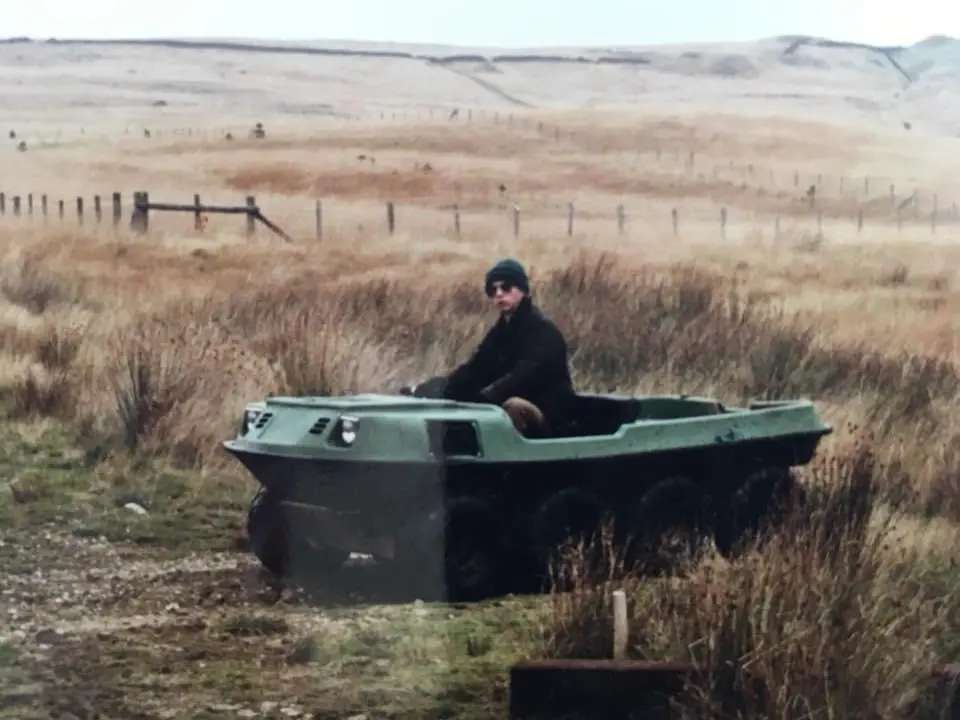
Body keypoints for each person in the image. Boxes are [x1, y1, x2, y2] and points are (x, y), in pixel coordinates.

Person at [403, 258, 576, 437]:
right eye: (492, 290)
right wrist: (433, 390)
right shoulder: (501, 331)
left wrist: (484, 398)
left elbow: (524, 377)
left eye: (506, 287)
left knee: (514, 406)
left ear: (522, 290)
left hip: (551, 419)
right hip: (507, 407)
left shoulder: (543, 330)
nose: (499, 294)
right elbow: (475, 369)